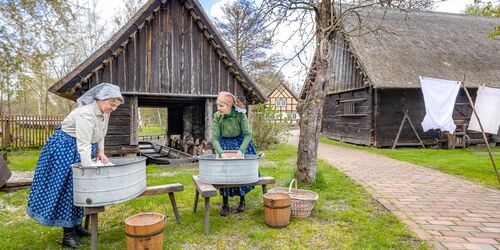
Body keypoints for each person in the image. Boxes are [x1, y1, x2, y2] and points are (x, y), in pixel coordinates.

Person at [27, 83, 123, 248]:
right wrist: (88, 170)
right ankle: (68, 235)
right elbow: (83, 144)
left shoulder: (104, 112)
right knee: (68, 190)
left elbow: (101, 133)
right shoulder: (85, 114)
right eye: (111, 104)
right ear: (100, 99)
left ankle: (77, 226)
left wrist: (101, 152)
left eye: (116, 106)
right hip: (64, 149)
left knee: (81, 189)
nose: (113, 108)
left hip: (80, 149)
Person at [211, 91, 257, 217]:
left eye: (221, 106)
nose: (218, 108)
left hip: (240, 142)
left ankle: (242, 200)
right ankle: (225, 204)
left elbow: (247, 135)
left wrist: (240, 151)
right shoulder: (217, 116)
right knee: (225, 173)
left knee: (240, 172)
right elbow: (214, 138)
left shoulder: (240, 115)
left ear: (229, 105)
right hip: (225, 143)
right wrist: (221, 153)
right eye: (217, 105)